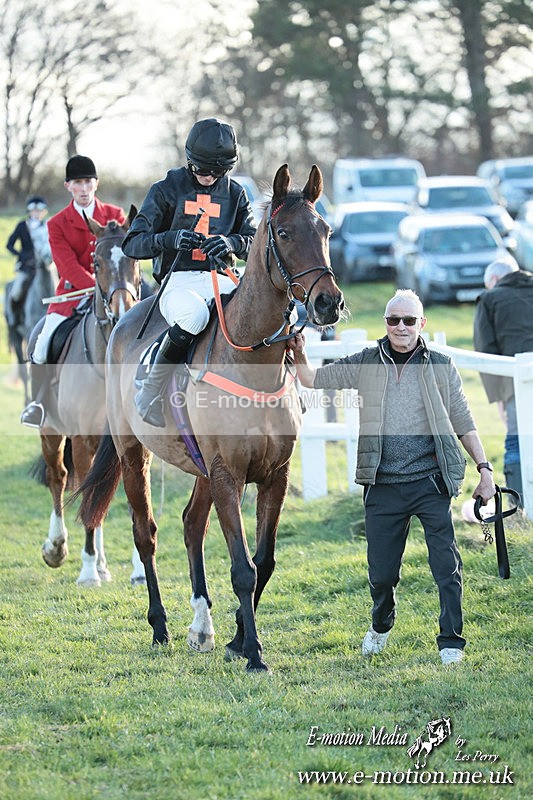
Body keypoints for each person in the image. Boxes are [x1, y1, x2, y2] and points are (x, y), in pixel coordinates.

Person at [290, 289, 495, 665]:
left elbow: (463, 420)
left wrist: (484, 469)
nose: (401, 327)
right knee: (382, 575)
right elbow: (313, 379)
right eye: (393, 320)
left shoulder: (440, 365)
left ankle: (451, 641)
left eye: (409, 320)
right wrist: (300, 351)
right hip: (382, 484)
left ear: (422, 323)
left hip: (430, 482)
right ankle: (381, 623)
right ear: (385, 323)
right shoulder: (367, 361)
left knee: (446, 567)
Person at [122, 117, 257, 428]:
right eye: (202, 170)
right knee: (195, 315)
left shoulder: (236, 194)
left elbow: (254, 242)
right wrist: (168, 239)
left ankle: (285, 391)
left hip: (223, 279)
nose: (209, 177)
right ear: (189, 160)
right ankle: (150, 391)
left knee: (257, 313)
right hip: (178, 282)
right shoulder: (165, 189)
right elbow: (132, 243)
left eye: (217, 172)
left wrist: (231, 242)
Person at [20, 155, 126, 427]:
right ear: (68, 186)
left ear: (96, 183)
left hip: (115, 294)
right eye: (77, 182)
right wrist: (96, 288)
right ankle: (38, 404)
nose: (83, 188)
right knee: (41, 346)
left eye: (88, 182)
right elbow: (66, 266)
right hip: (72, 295)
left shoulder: (115, 215)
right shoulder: (56, 223)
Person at [473, 258, 533, 501]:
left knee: (517, 441)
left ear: (495, 279)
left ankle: (520, 504)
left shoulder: (490, 299)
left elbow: (486, 351)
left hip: (515, 384)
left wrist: (499, 397)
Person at [6, 196, 52, 303]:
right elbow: (9, 245)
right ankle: (14, 313)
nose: (37, 213)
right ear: (29, 211)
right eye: (34, 210)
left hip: (48, 265)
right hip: (27, 266)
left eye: (39, 210)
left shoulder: (49, 225)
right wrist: (22, 255)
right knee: (16, 293)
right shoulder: (22, 225)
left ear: (44, 211)